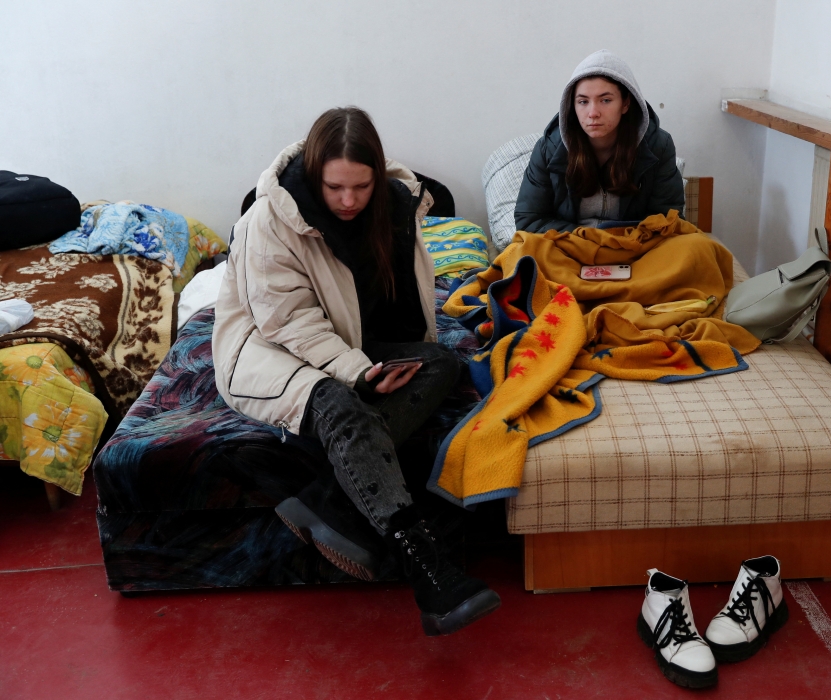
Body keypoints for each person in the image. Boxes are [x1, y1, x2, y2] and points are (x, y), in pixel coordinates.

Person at [213, 107, 501, 636]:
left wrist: (390, 360)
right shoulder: (268, 222)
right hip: (266, 344)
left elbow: (403, 305)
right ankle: (429, 573)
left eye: (361, 187)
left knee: (438, 363)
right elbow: (289, 321)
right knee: (335, 402)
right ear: (314, 173)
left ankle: (319, 489)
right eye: (335, 188)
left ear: (378, 173)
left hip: (347, 340)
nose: (349, 200)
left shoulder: (395, 207)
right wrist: (359, 374)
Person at [515, 49, 686, 232]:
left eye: (605, 100)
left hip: (633, 246)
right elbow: (529, 220)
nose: (593, 113)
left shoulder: (657, 146)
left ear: (626, 103)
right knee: (517, 253)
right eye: (583, 102)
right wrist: (587, 239)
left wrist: (617, 243)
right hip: (570, 247)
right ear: (572, 105)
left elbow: (669, 220)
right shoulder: (549, 149)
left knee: (699, 247)